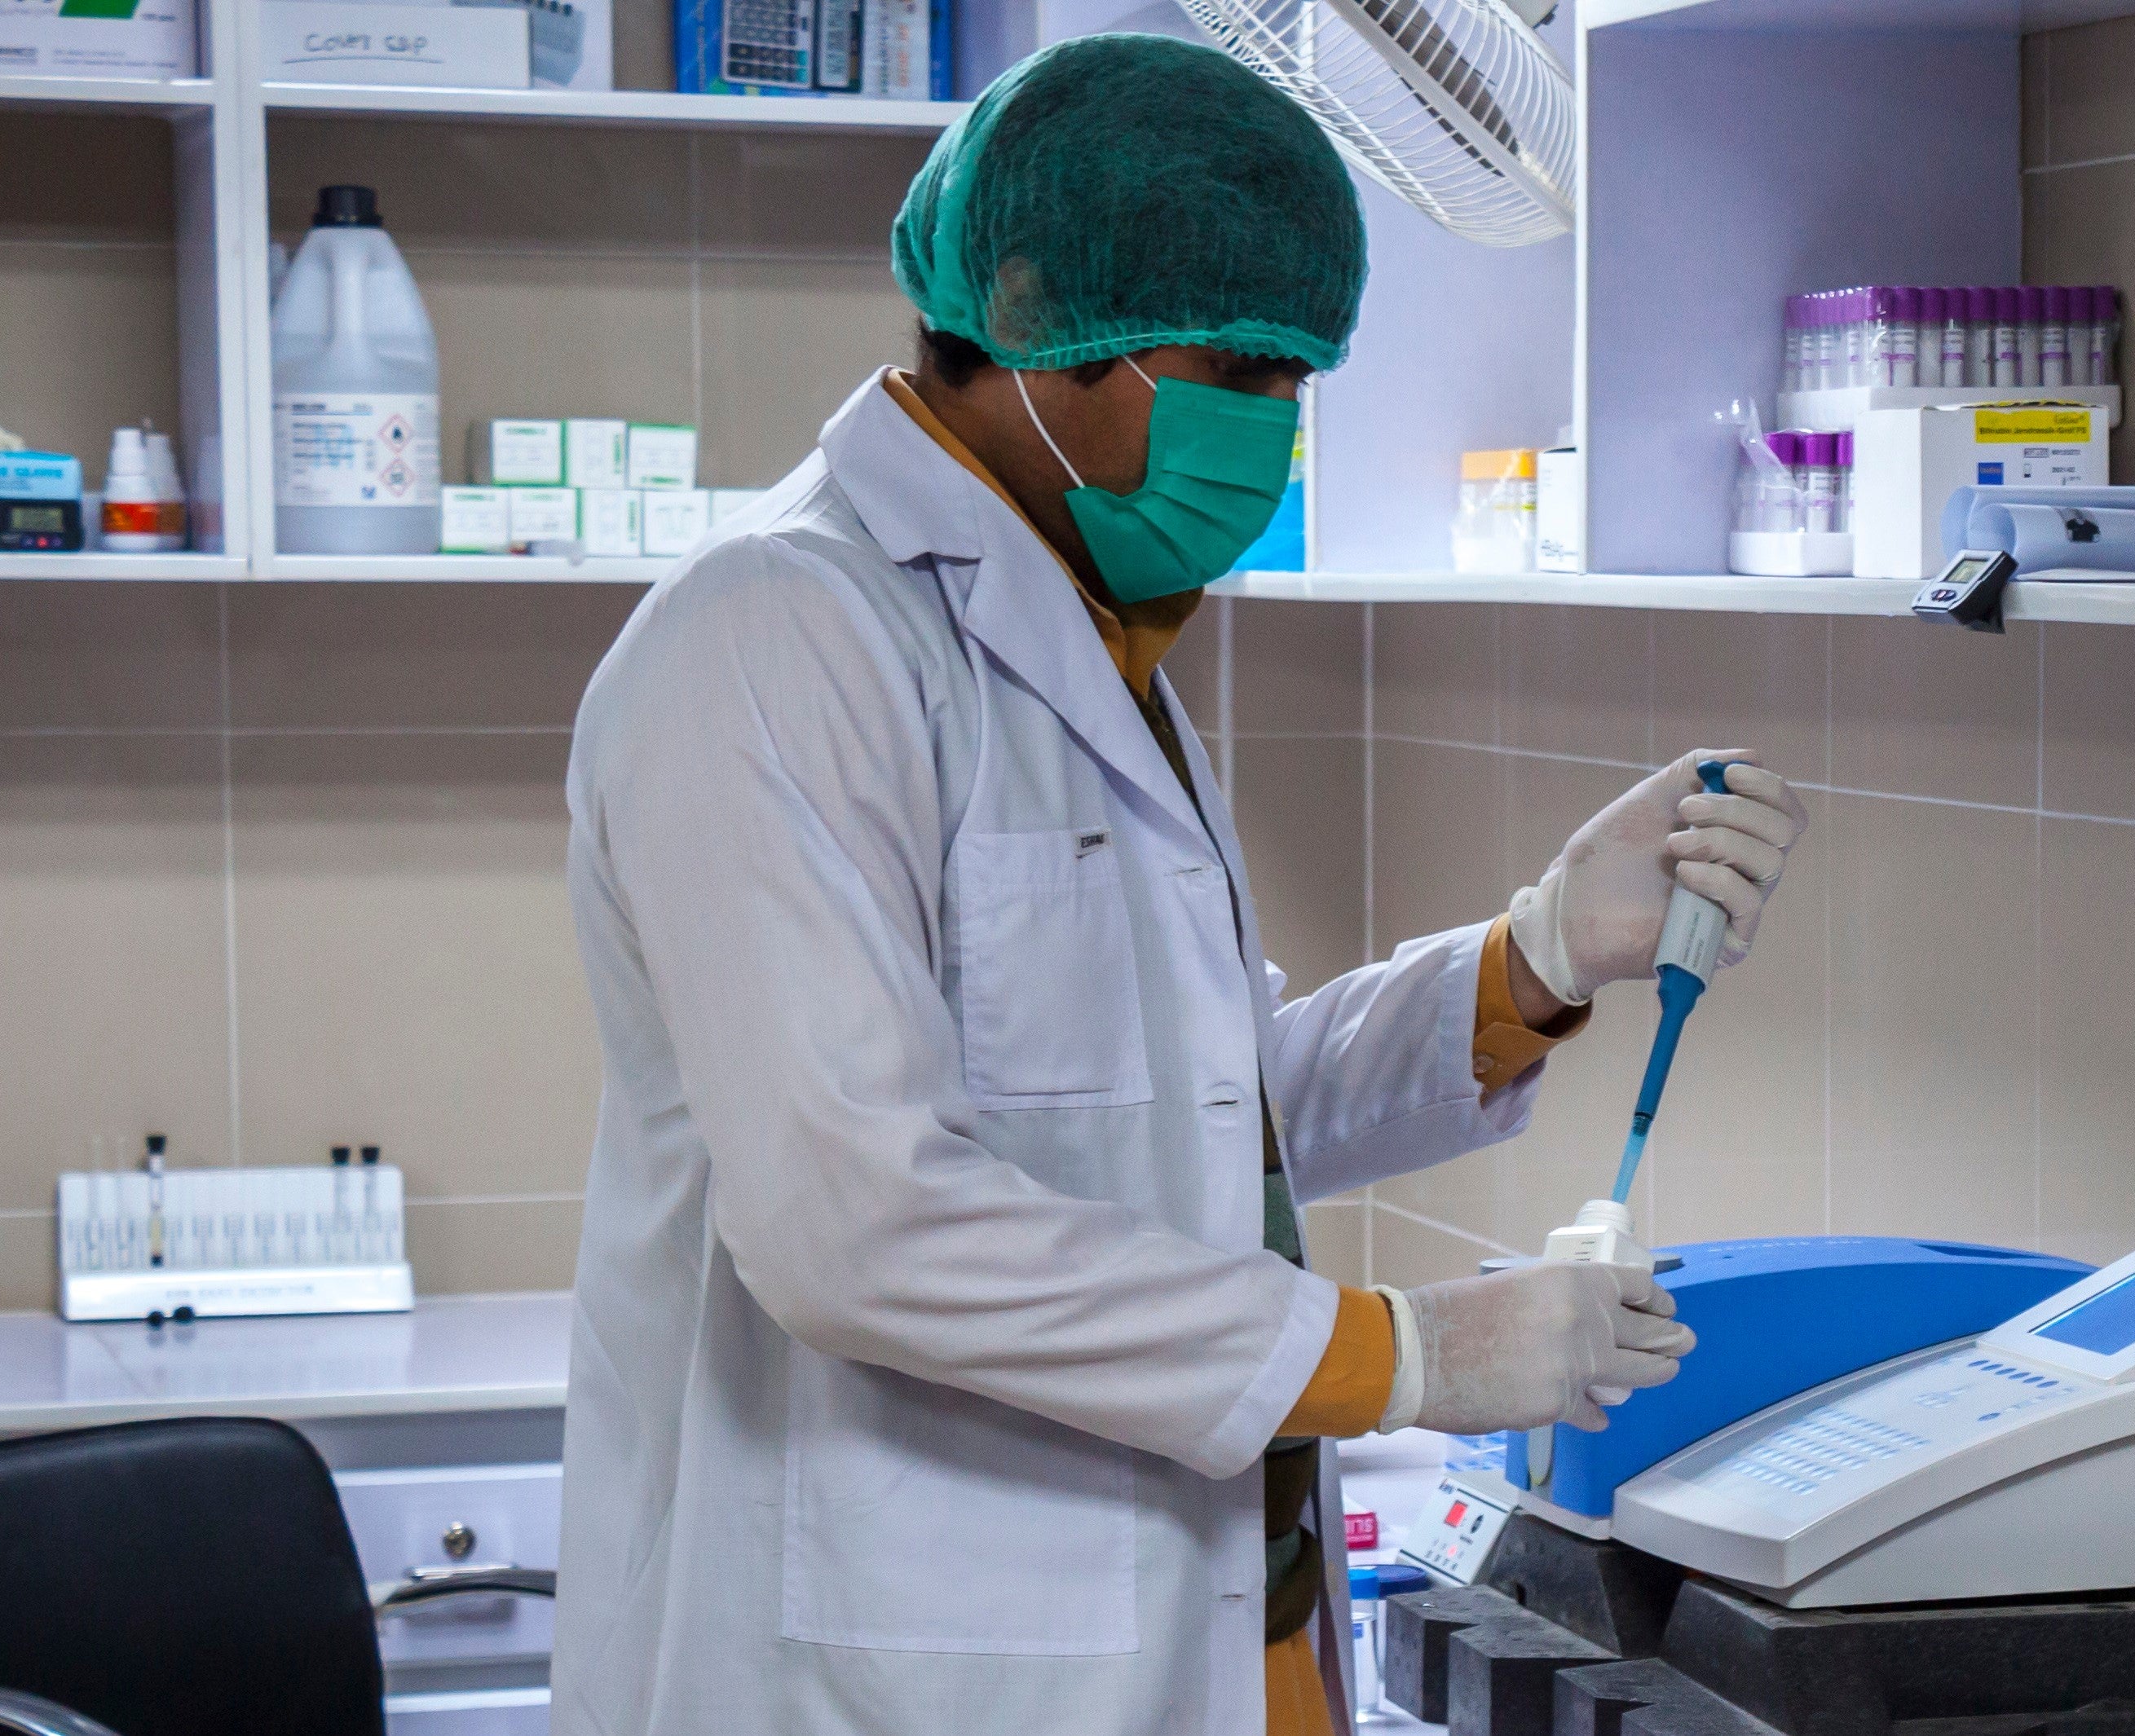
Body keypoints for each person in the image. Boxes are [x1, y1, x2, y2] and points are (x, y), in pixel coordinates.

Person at [549, 33, 1808, 1736]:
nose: (1271, 432)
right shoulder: (781, 638)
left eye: (1299, 381)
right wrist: (1402, 1354)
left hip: (1195, 1636)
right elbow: (857, 1225)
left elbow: (1197, 1113)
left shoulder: (1084, 631)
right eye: (1235, 370)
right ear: (1022, 303)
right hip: (897, 1667)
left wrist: (1528, 965)